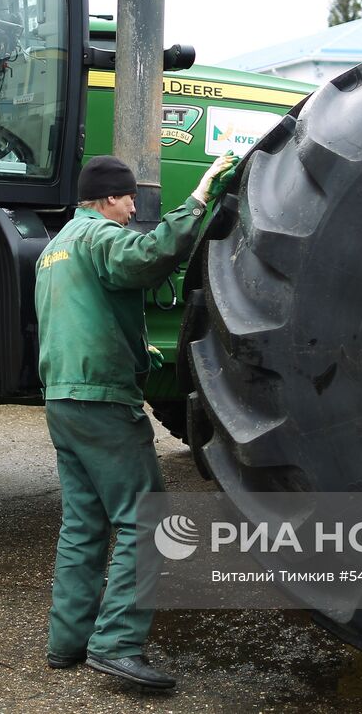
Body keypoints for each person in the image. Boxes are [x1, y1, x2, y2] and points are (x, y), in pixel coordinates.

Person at [35, 152, 236, 690]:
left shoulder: (54, 249)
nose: (131, 209)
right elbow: (147, 257)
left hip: (63, 399)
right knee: (145, 519)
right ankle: (118, 644)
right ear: (107, 198)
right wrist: (196, 202)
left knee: (84, 524)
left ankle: (67, 642)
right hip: (102, 399)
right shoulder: (99, 237)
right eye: (128, 200)